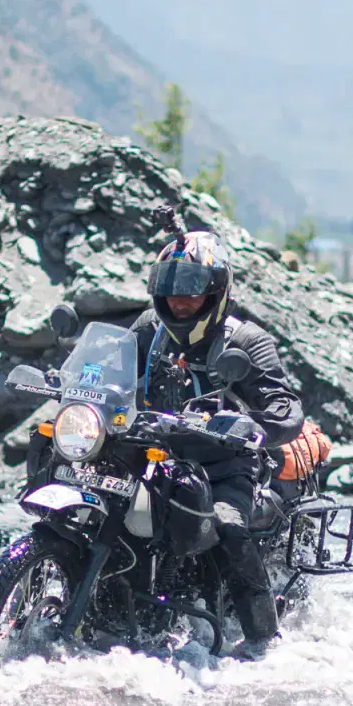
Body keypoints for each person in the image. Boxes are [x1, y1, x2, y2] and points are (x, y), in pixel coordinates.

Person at [133, 229, 305, 657]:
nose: (179, 299)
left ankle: (264, 638)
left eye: (191, 287)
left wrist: (256, 427)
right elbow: (103, 365)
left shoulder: (246, 341)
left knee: (226, 524)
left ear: (216, 289)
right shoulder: (148, 330)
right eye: (169, 287)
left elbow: (286, 406)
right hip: (151, 454)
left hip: (223, 466)